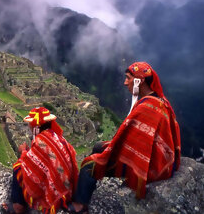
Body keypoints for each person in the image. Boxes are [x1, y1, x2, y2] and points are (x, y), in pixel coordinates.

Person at [69, 62, 181, 213]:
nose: (124, 82)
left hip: (151, 164)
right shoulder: (159, 101)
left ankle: (79, 206)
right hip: (161, 158)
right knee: (98, 146)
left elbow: (129, 142)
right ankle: (89, 191)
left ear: (138, 81)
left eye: (128, 78)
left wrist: (107, 153)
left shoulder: (145, 108)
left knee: (88, 165)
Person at [2, 107, 79, 214]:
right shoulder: (58, 137)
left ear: (36, 126)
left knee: (19, 166)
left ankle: (18, 206)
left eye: (30, 123)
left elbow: (29, 164)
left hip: (55, 196)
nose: (29, 126)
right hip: (67, 189)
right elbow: (44, 161)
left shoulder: (40, 141)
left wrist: (23, 151)